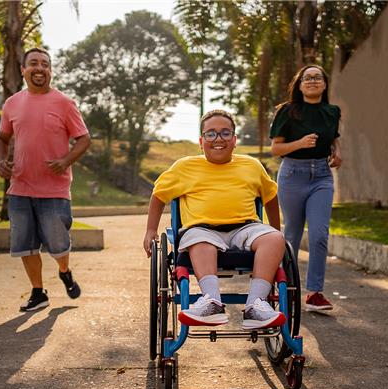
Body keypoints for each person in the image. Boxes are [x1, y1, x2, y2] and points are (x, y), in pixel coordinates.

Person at [143, 110, 287, 329]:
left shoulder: (251, 166)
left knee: (275, 238)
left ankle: (255, 306)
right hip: (202, 229)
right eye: (211, 134)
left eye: (225, 133)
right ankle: (212, 302)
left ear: (235, 140)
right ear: (201, 141)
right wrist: (150, 231)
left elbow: (270, 196)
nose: (218, 139)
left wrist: (274, 231)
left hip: (245, 228)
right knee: (199, 241)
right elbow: (159, 195)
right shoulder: (184, 167)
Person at [0, 47, 91, 312]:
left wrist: (65, 161)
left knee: (58, 245)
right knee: (25, 246)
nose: (40, 68)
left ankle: (64, 270)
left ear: (50, 70)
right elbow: (1, 139)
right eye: (34, 63)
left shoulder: (64, 103)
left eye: (45, 64)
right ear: (23, 70)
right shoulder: (12, 103)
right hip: (20, 187)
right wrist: (1, 161)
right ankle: (38, 292)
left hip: (55, 190)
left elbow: (84, 139)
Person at [269, 64, 342, 312]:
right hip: (292, 174)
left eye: (317, 77)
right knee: (291, 235)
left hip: (322, 176)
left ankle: (314, 293)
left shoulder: (332, 111)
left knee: (320, 234)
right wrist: (299, 143)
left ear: (324, 84)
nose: (312, 81)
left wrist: (337, 153)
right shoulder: (288, 111)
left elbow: (333, 137)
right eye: (307, 78)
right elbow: (276, 149)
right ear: (299, 85)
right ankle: (286, 289)